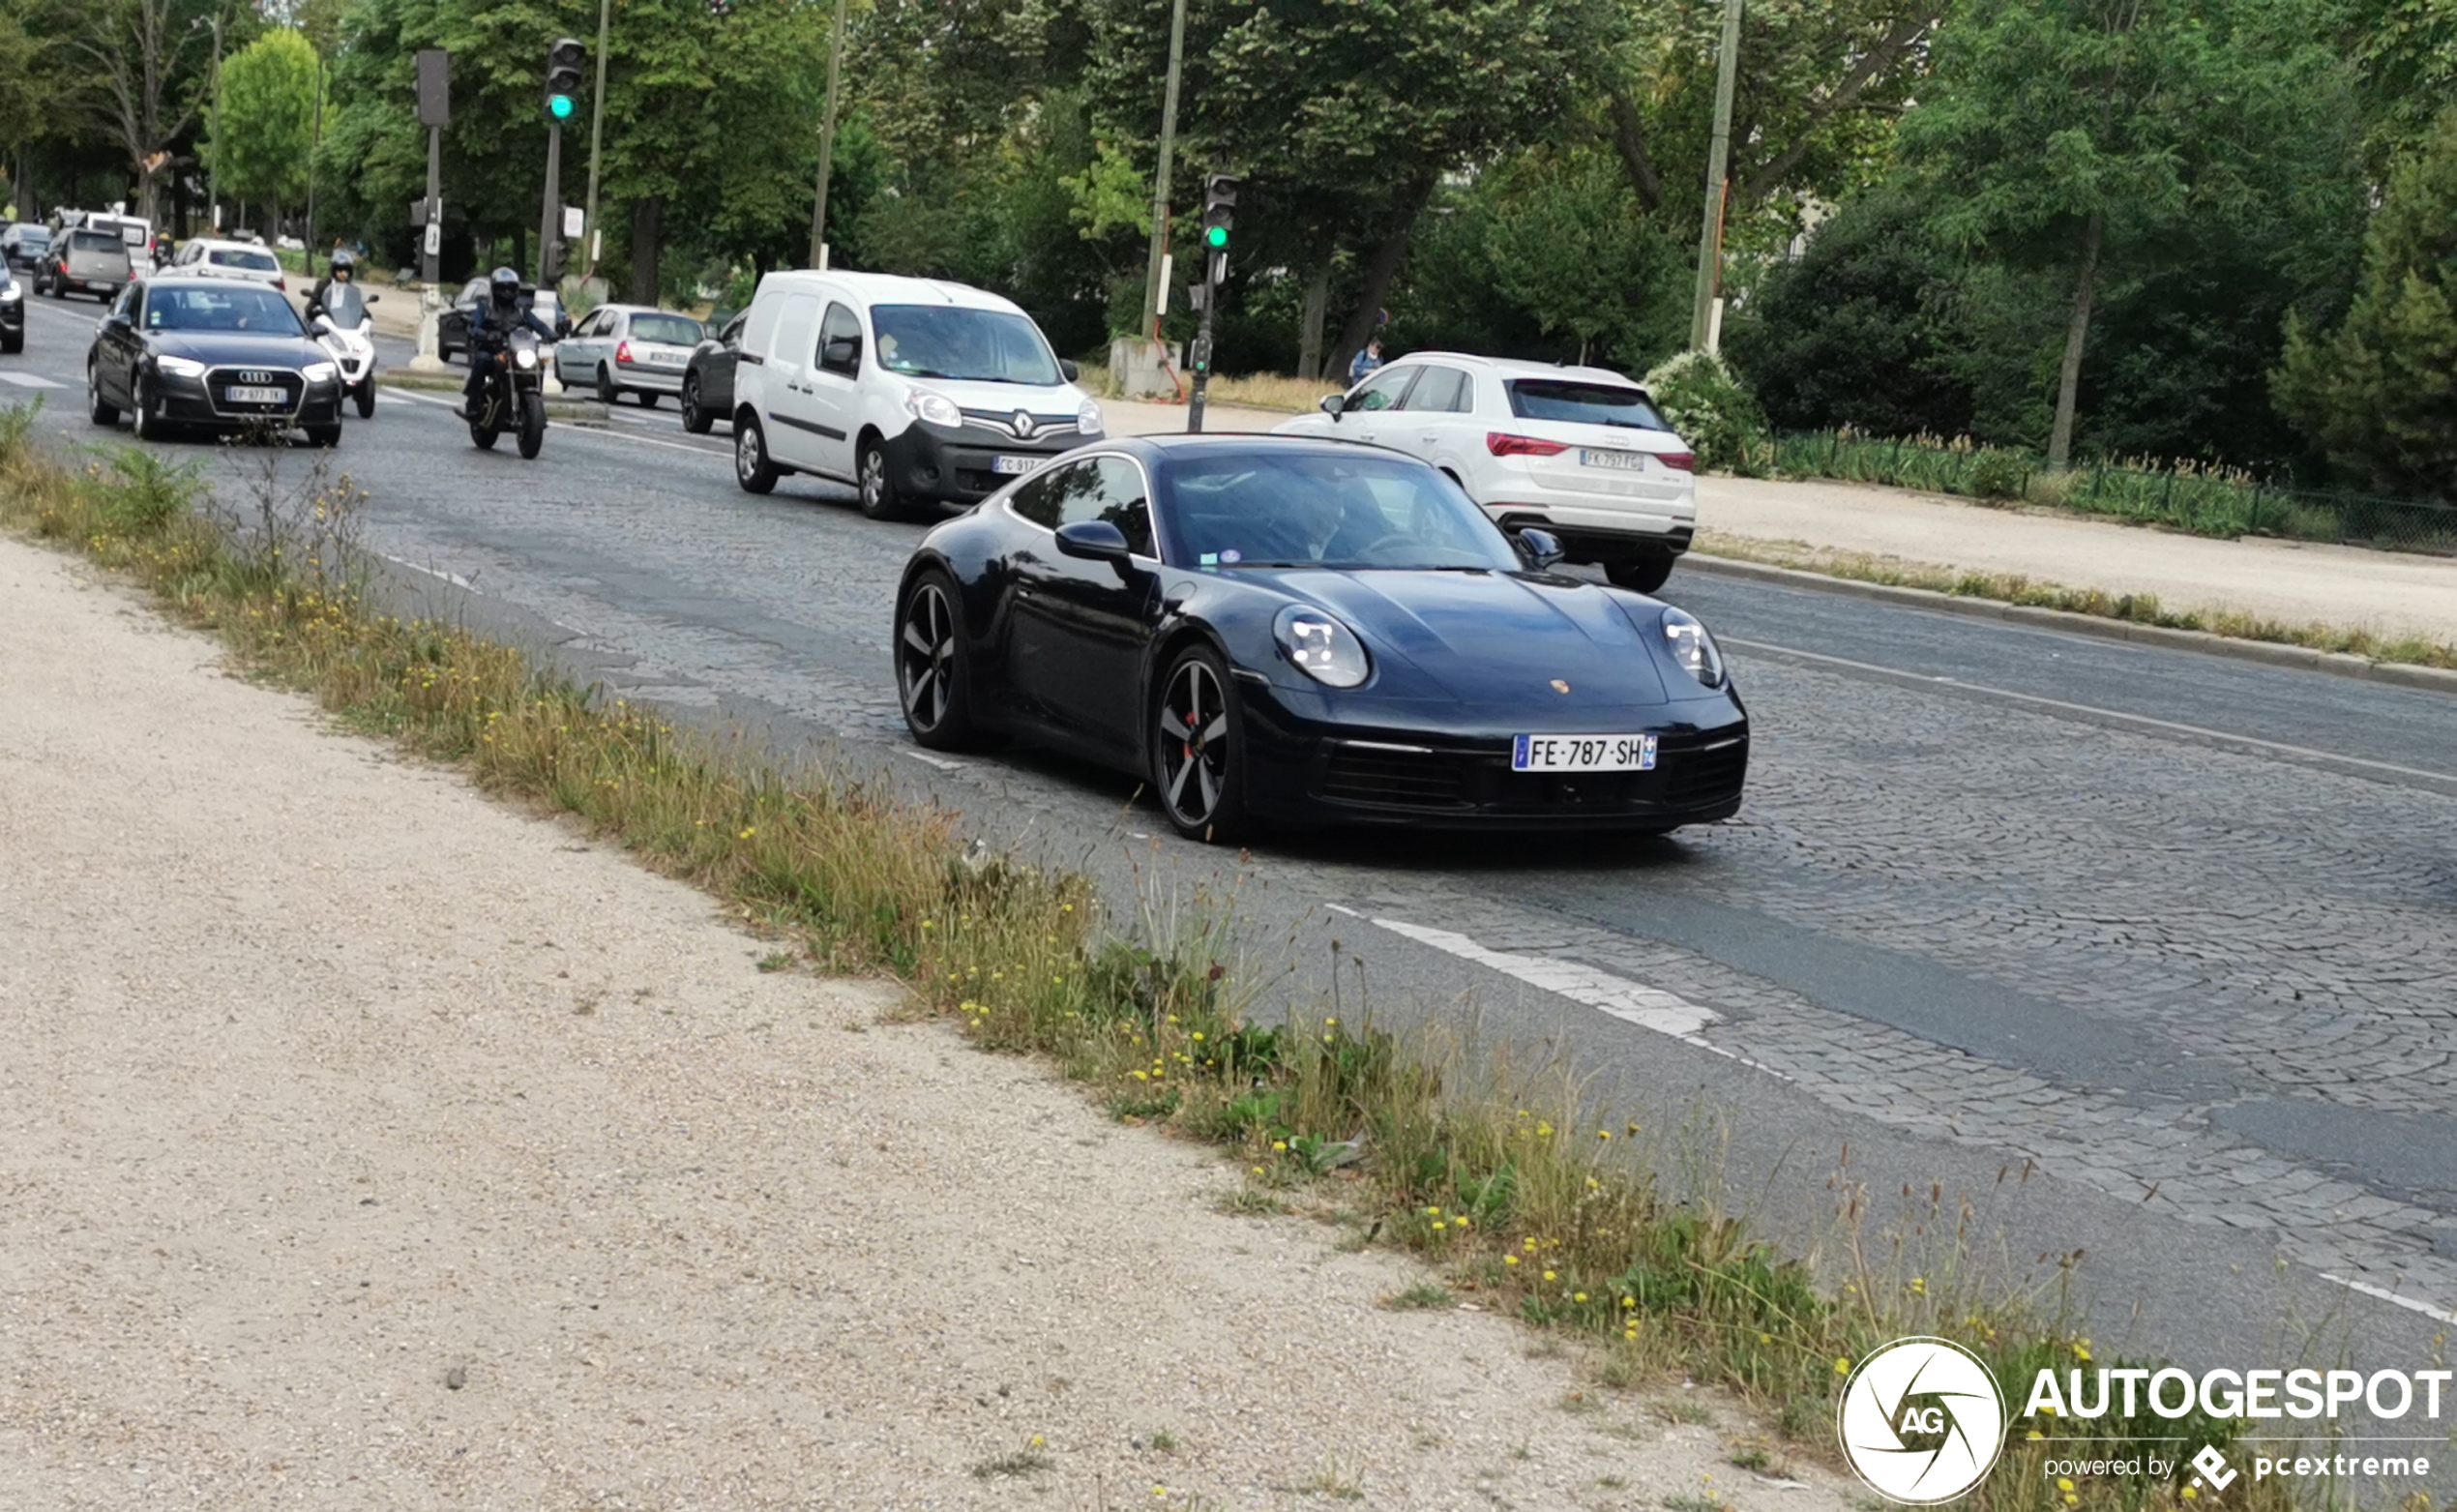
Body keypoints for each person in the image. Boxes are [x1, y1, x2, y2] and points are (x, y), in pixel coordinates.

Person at [459, 266, 559, 421]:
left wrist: (550, 333)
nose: (506, 293)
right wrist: (483, 333)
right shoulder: (485, 308)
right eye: (502, 289)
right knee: (482, 360)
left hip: (515, 351)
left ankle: (538, 406)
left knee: (538, 364)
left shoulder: (521, 311)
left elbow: (537, 324)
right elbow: (473, 325)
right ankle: (473, 402)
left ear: (516, 290)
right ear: (494, 289)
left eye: (510, 288)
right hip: (492, 350)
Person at [307, 249, 357, 320]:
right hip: (326, 323)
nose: (343, 273)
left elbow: (359, 309)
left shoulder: (353, 290)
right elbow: (309, 308)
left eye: (346, 270)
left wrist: (366, 316)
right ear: (334, 271)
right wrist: (315, 310)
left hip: (345, 324)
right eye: (340, 270)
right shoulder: (322, 285)